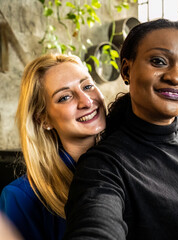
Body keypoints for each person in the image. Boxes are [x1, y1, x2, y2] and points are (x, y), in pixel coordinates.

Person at [63, 19, 178, 240]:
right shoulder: (103, 165)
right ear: (126, 69)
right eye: (158, 61)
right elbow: (96, 226)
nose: (176, 77)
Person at [0, 54, 106, 240]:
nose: (86, 101)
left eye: (87, 86)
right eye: (65, 97)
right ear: (43, 119)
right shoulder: (21, 197)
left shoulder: (132, 161)